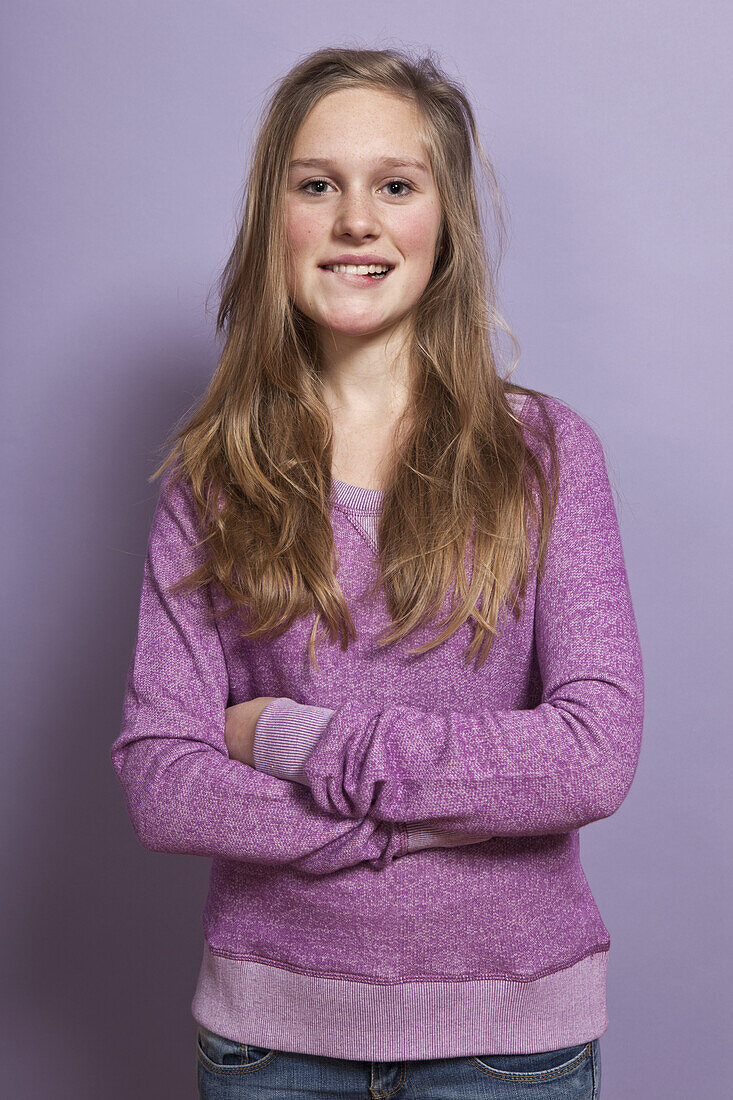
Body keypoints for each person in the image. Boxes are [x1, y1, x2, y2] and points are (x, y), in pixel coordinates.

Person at [110, 44, 644, 1099]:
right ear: (278, 219)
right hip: (271, 1041)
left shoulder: (547, 455)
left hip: (511, 1040)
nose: (357, 219)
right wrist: (443, 809)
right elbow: (163, 781)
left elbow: (590, 756)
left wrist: (284, 736)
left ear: (442, 227)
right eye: (318, 185)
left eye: (395, 185)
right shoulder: (211, 476)